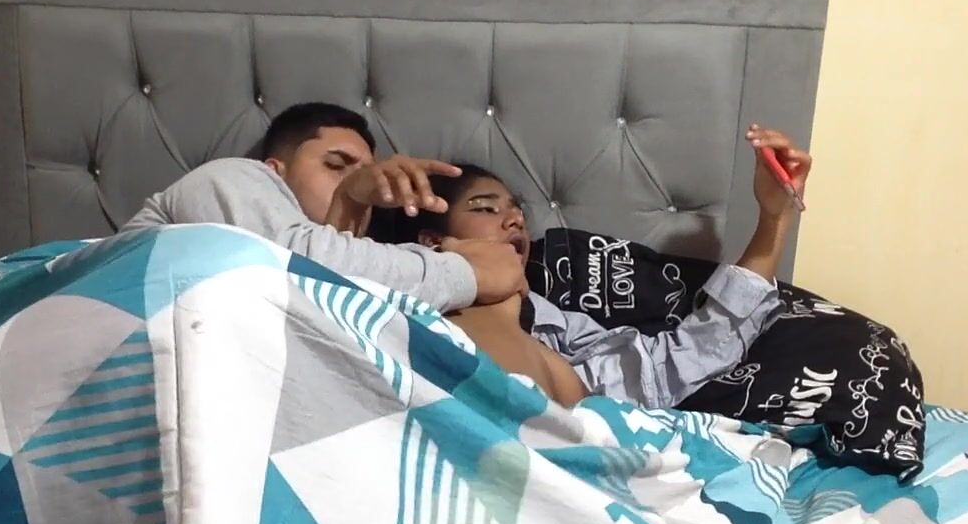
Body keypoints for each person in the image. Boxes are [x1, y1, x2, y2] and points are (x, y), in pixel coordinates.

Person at [370, 123, 811, 407]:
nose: (514, 219)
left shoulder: (554, 330)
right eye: (485, 209)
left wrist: (773, 219)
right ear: (433, 242)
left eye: (517, 209)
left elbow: (667, 365)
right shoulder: (384, 301)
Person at [123, 102, 526, 313]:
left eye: (367, 176)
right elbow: (292, 260)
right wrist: (467, 271)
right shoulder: (231, 176)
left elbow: (324, 290)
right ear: (275, 170)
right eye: (336, 166)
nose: (361, 184)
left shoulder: (367, 267)